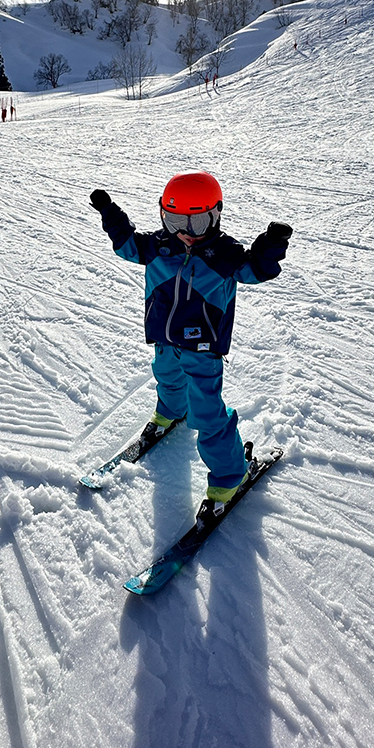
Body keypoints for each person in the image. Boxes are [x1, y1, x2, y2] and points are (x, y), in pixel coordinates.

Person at [89, 171, 293, 524]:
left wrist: (271, 244)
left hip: (202, 346)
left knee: (207, 413)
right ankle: (170, 411)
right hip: (164, 337)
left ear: (216, 215)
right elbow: (126, 244)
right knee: (167, 376)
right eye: (175, 220)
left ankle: (230, 476)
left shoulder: (224, 254)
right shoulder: (158, 245)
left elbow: (256, 270)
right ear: (162, 215)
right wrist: (110, 212)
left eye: (197, 222)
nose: (186, 231)